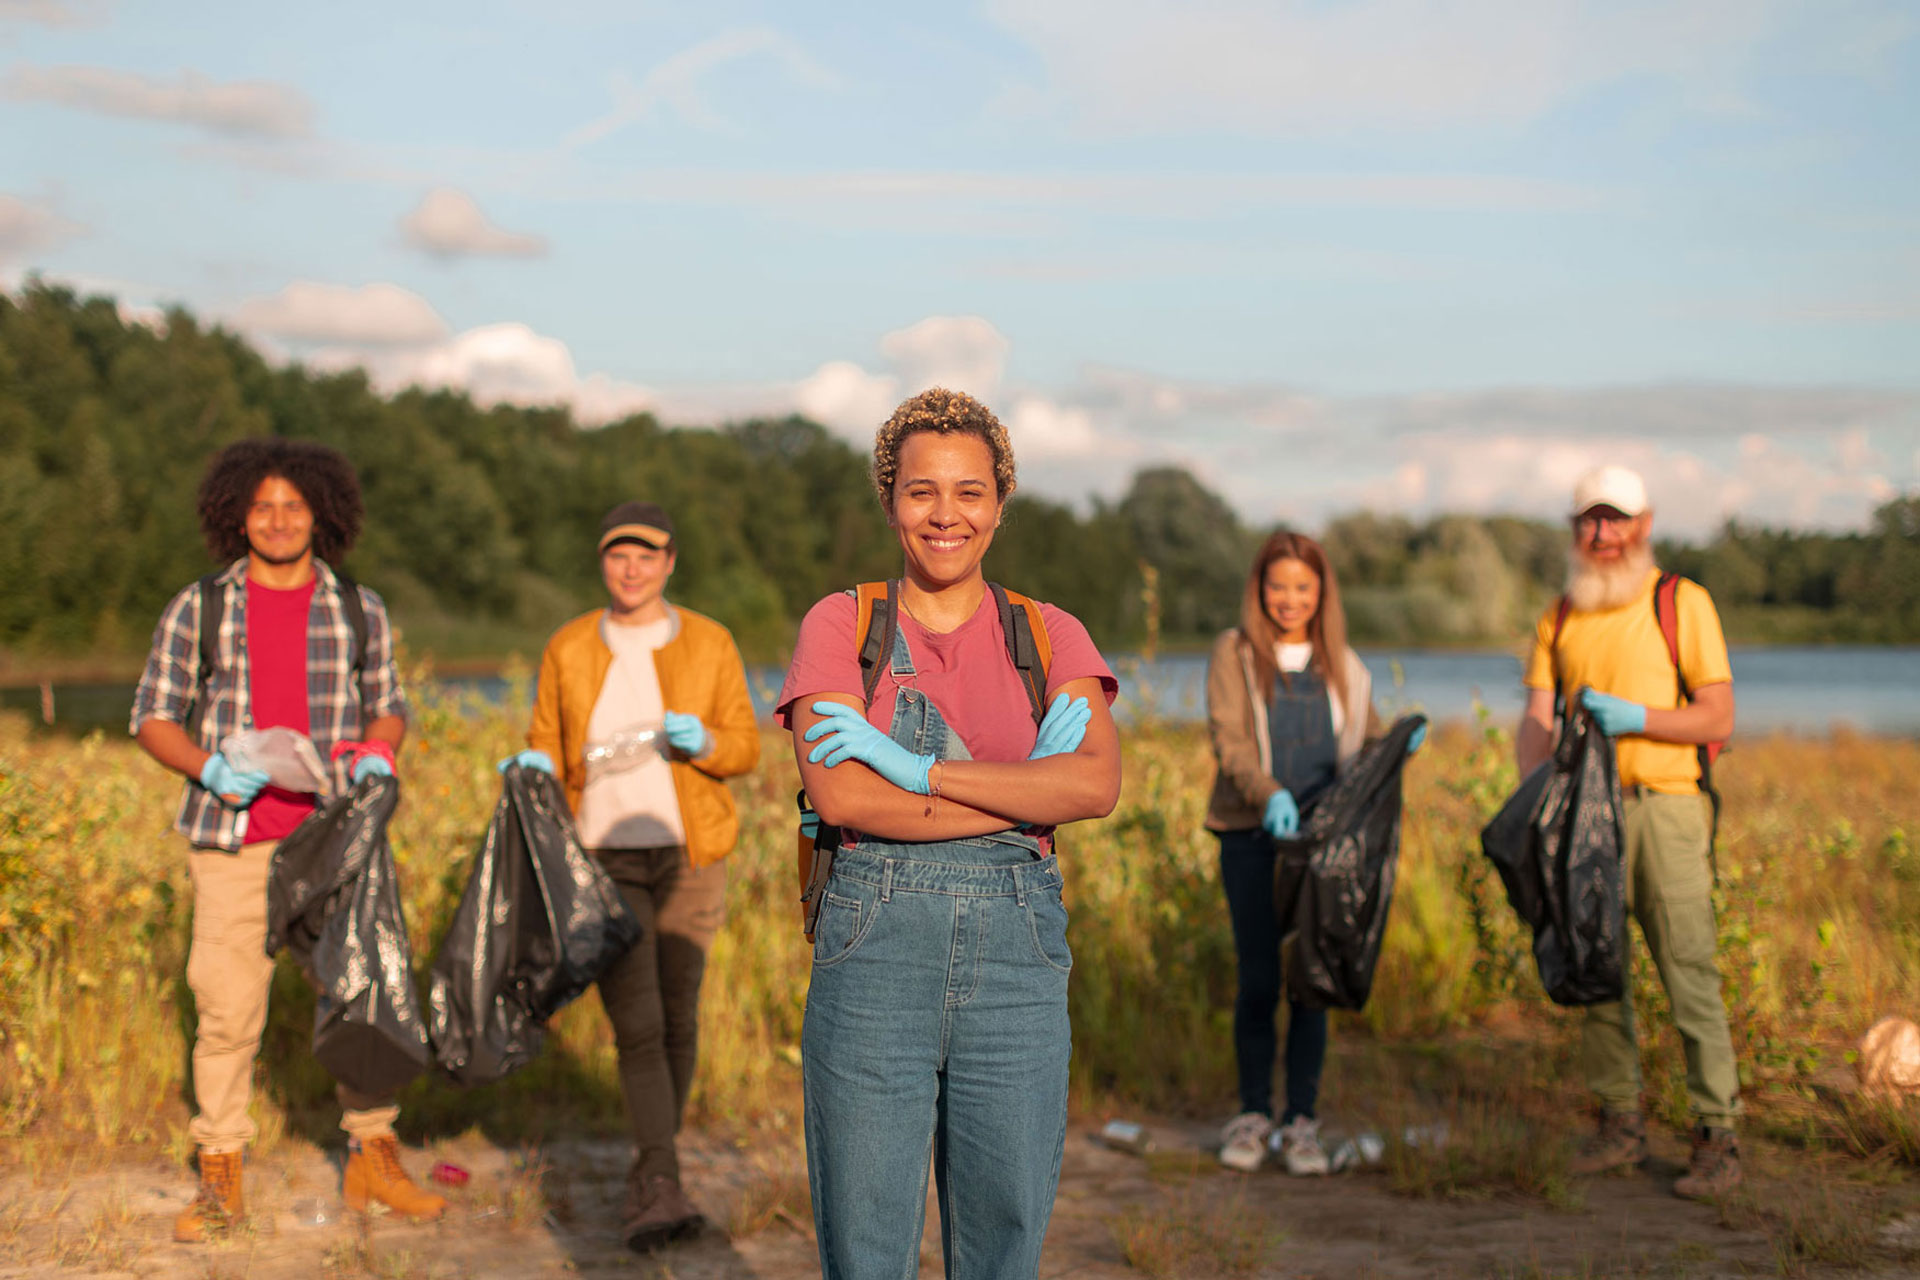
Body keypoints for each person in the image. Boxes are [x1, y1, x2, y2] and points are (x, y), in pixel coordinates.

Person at [775, 388, 1121, 1279]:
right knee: (866, 1242)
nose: (946, 514)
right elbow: (844, 798)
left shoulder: (1048, 635)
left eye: (970, 492)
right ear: (890, 500)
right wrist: (1024, 795)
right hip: (873, 944)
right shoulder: (841, 624)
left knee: (1004, 1238)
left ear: (1001, 505)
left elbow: (1094, 782)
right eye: (922, 490)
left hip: (1018, 960)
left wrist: (921, 771)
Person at [130, 439, 443, 1242]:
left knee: (361, 997)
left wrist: (380, 749)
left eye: (293, 506)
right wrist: (209, 768)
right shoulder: (199, 607)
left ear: (322, 515)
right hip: (232, 840)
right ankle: (220, 1173)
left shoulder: (357, 609)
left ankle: (373, 1156)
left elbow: (390, 702)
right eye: (263, 505)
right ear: (238, 513)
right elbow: (152, 717)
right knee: (227, 1010)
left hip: (334, 839)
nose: (277, 520)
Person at [500, 500, 760, 1252]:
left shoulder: (710, 642)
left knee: (679, 1015)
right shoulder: (570, 645)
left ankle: (653, 1175)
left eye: (647, 555)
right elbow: (547, 739)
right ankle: (659, 1179)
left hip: (690, 851)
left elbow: (745, 746)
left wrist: (705, 741)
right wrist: (536, 766)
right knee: (639, 1023)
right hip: (604, 856)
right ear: (603, 562)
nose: (633, 568)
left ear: (670, 562)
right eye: (619, 555)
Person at [1517, 464, 1741, 1199]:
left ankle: (1717, 1135)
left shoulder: (1682, 602)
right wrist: (1534, 791)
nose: (1602, 533)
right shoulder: (1561, 614)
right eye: (1590, 519)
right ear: (1575, 527)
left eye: (1616, 519)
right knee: (1596, 971)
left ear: (1643, 526)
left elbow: (1718, 717)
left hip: (1665, 809)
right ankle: (1619, 1124)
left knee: (1689, 971)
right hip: (1584, 816)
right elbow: (1537, 718)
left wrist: (1641, 719)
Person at [1203, 530, 1424, 1176]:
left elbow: (1368, 738)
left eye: (1303, 586)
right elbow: (1230, 741)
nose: (1290, 599)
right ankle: (1251, 1114)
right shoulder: (1235, 653)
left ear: (1321, 591)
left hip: (1324, 852)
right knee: (1259, 979)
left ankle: (1301, 1120)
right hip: (1253, 835)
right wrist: (1269, 794)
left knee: (1311, 985)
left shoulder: (1344, 665)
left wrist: (1399, 744)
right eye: (1278, 586)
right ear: (1259, 589)